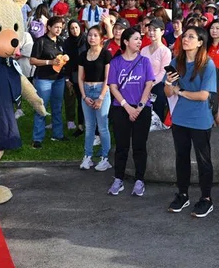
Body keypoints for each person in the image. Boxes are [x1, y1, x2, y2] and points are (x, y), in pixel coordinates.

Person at [165, 27, 218, 218]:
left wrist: (180, 91)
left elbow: (204, 95)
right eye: (184, 35)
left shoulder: (207, 64)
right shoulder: (175, 62)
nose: (185, 39)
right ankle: (183, 194)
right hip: (180, 118)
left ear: (200, 42)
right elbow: (167, 93)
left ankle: (206, 198)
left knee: (204, 160)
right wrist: (169, 84)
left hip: (200, 119)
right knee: (181, 157)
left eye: (191, 37)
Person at [107, 27, 156, 197]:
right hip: (121, 109)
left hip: (142, 109)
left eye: (140, 39)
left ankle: (139, 180)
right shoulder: (115, 62)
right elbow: (113, 87)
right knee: (121, 146)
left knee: (139, 146)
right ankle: (118, 178)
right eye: (135, 39)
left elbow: (149, 84)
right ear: (126, 42)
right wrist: (127, 106)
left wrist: (139, 107)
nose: (139, 42)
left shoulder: (144, 62)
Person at [29, 16, 69, 147]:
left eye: (60, 27)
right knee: (41, 107)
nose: (58, 29)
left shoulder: (61, 41)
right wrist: (49, 62)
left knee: (57, 107)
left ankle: (58, 134)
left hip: (59, 79)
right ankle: (37, 138)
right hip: (43, 79)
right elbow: (32, 60)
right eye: (56, 27)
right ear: (49, 27)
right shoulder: (41, 41)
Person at [77, 25, 112, 171]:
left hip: (101, 91)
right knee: (89, 126)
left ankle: (105, 157)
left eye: (95, 35)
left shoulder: (106, 54)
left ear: (101, 38)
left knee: (102, 127)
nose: (92, 38)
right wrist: (84, 97)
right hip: (86, 91)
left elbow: (108, 79)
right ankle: (88, 156)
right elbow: (79, 78)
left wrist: (101, 97)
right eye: (90, 35)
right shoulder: (83, 55)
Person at [63, 19, 87, 134]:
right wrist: (67, 78)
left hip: (88, 75)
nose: (74, 30)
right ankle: (81, 125)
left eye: (76, 27)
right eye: (72, 28)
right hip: (75, 75)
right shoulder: (67, 43)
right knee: (80, 99)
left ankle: (89, 124)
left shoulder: (86, 39)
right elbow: (66, 62)